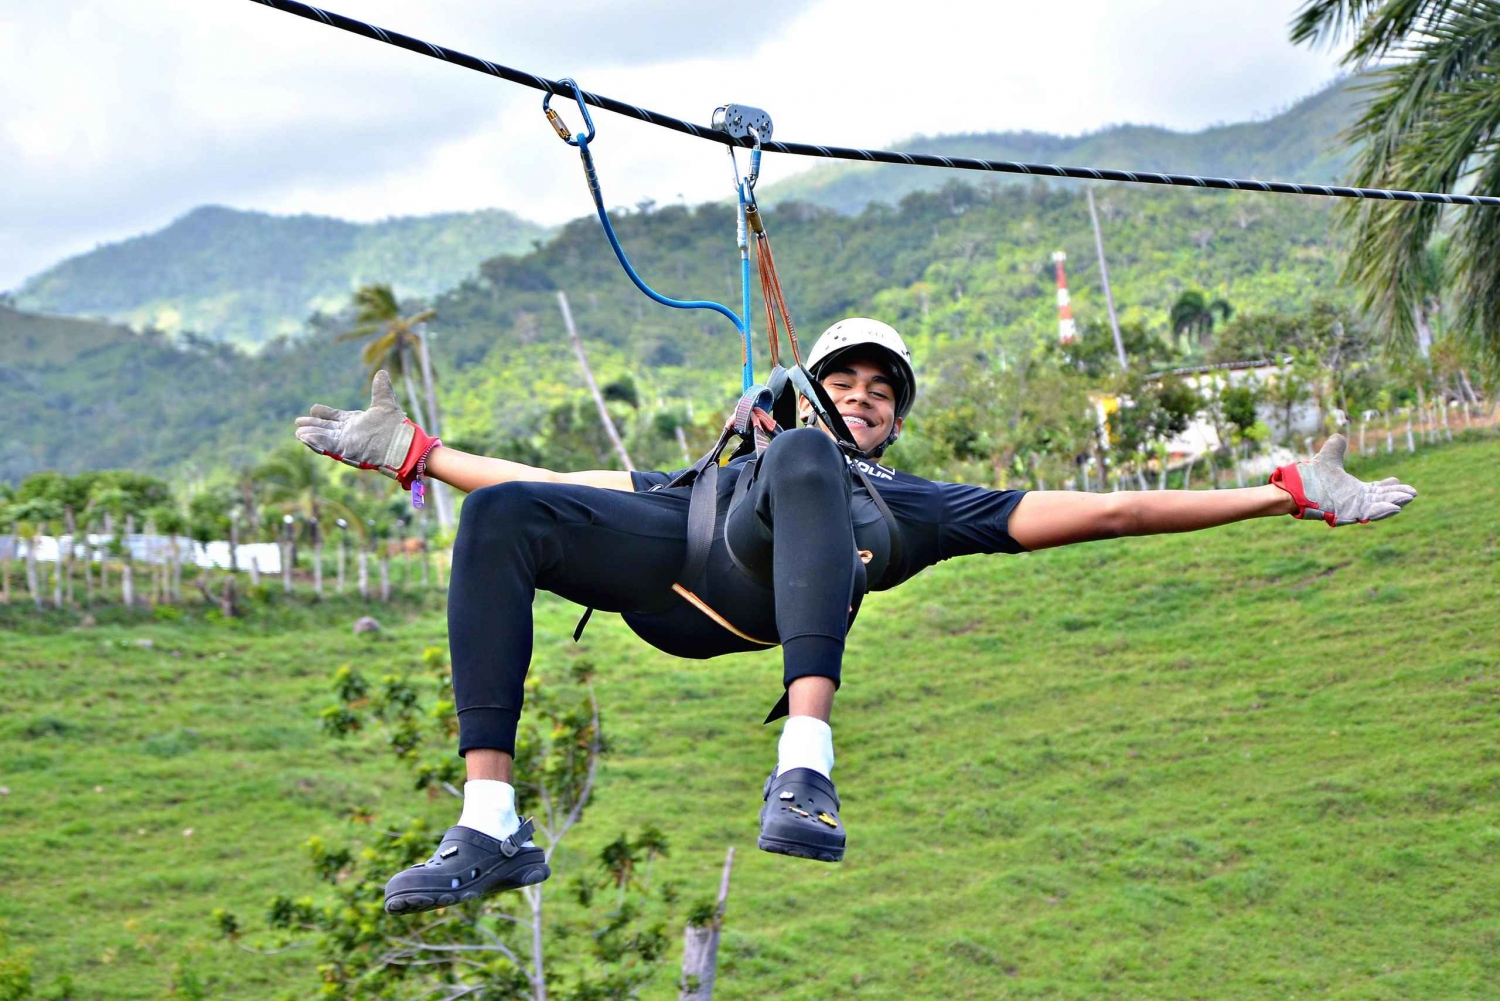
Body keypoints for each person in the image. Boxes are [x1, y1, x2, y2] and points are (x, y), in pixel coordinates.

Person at [294, 317, 1417, 914]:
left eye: (886, 390)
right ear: (818, 380)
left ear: (895, 421)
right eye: (850, 379)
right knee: (500, 516)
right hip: (680, 567)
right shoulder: (728, 462)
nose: (867, 394)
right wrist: (418, 455)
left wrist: (1281, 494)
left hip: (765, 605)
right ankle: (491, 822)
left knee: (800, 464)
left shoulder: (918, 505)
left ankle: (806, 759)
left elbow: (1118, 507)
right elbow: (558, 483)